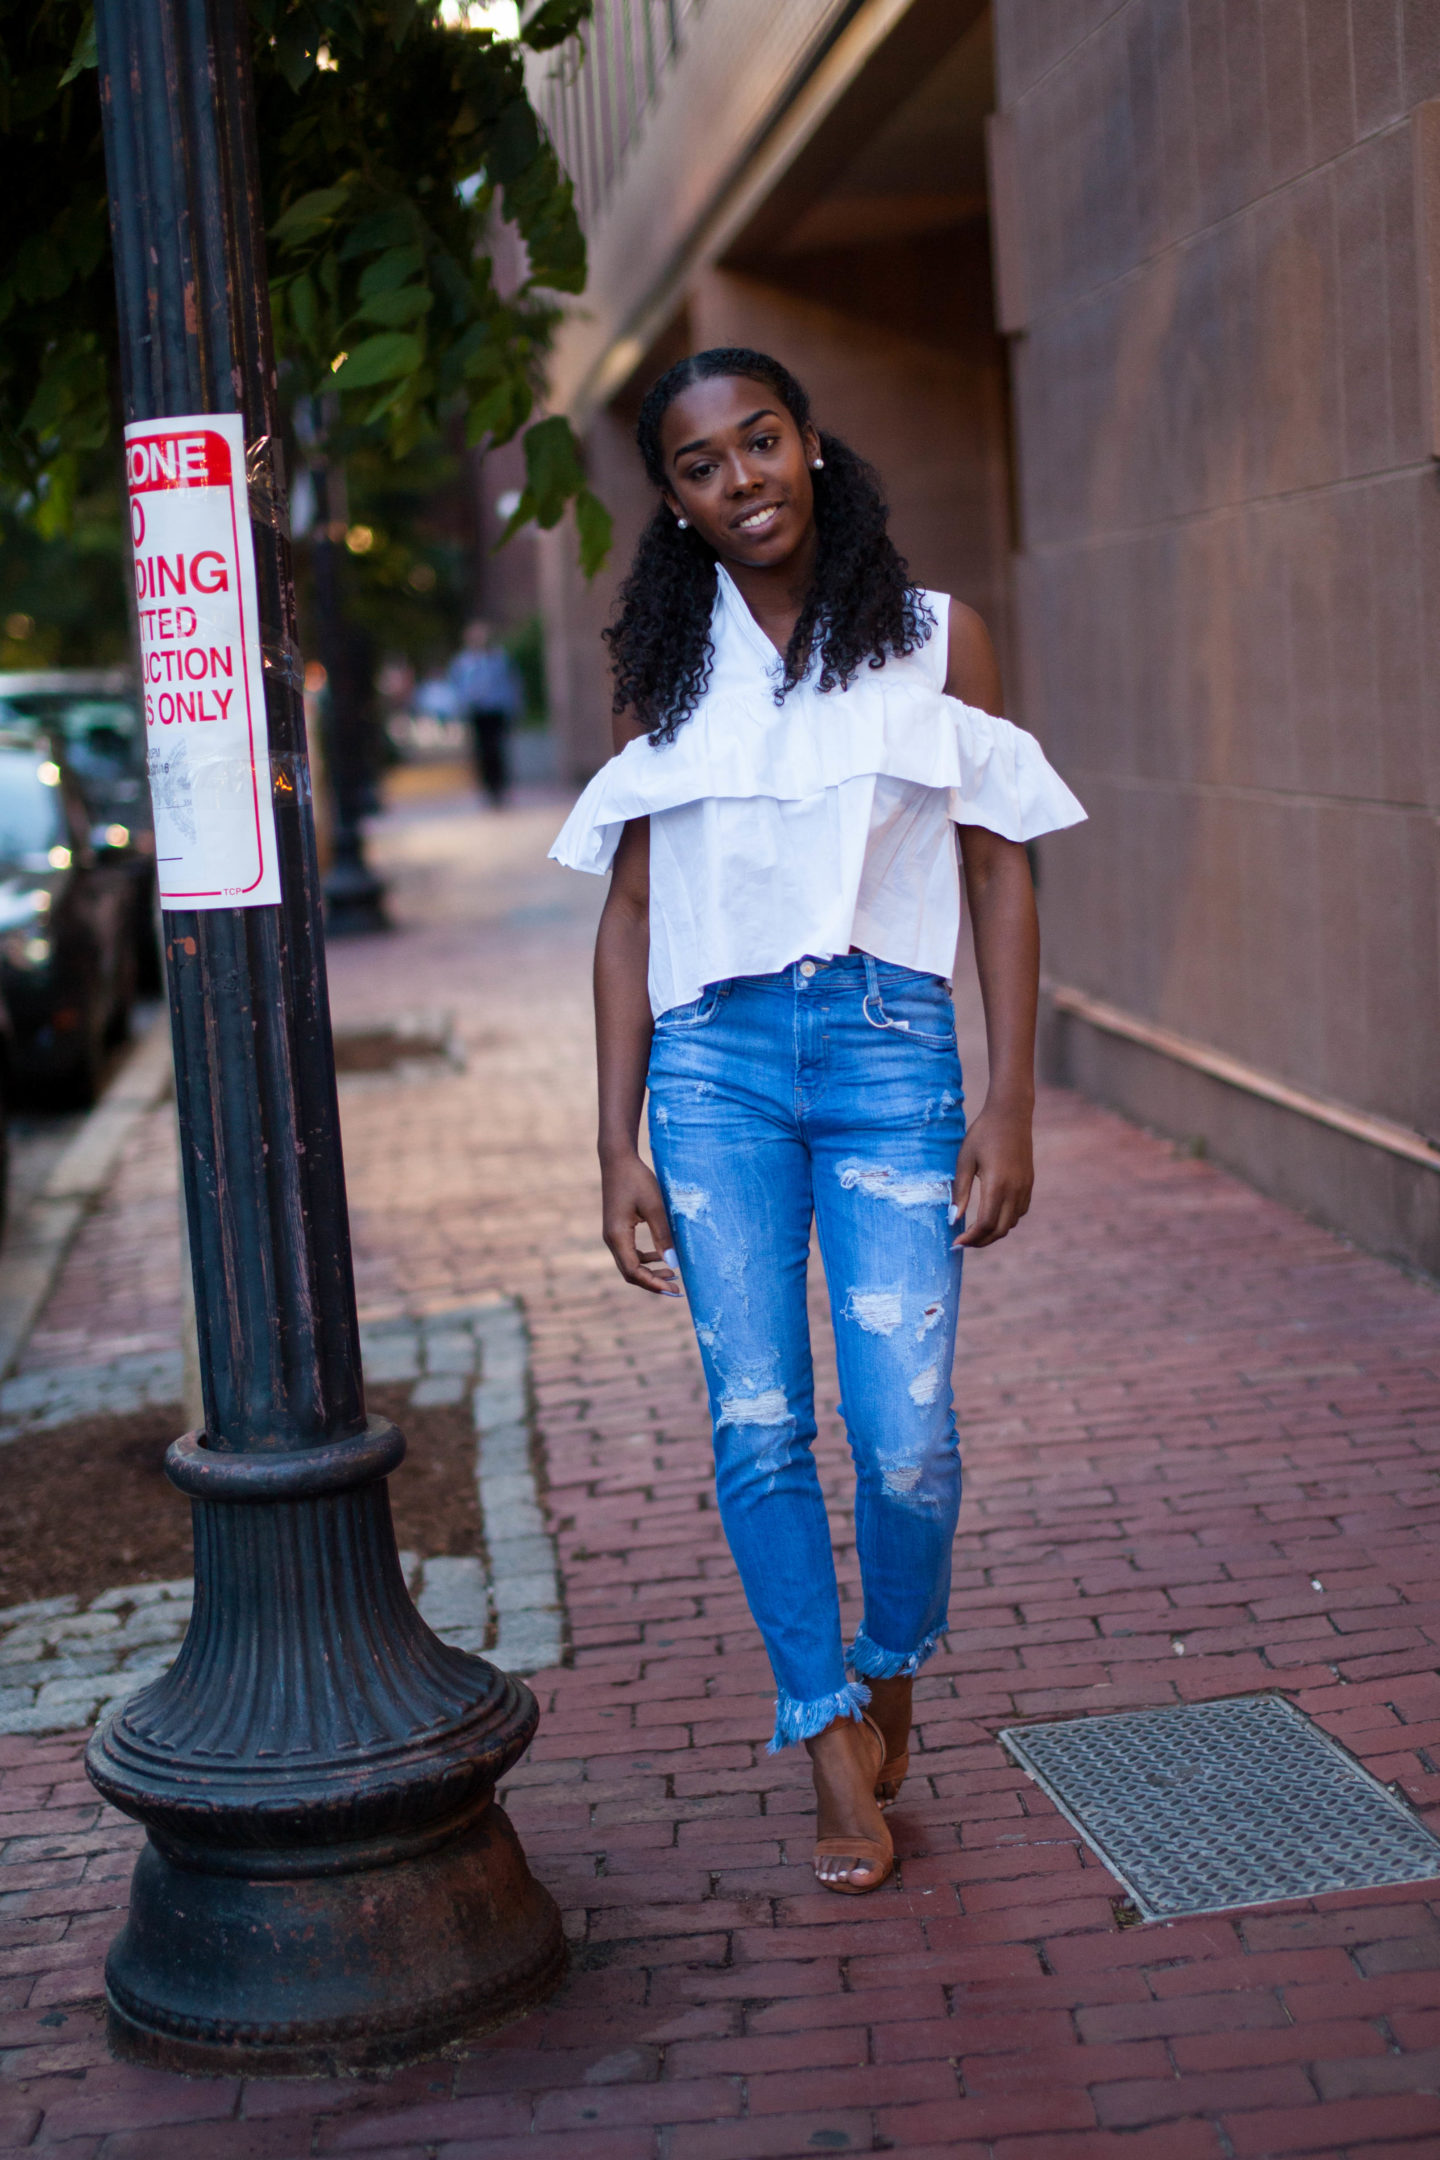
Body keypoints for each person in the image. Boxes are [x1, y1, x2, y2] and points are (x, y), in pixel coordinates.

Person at [550, 348, 1085, 1894]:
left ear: (814, 444)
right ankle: (827, 1735)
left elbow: (998, 865)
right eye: (703, 465)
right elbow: (635, 904)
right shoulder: (667, 668)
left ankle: (894, 1651)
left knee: (907, 1434)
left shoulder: (935, 641)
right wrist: (614, 1136)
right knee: (762, 1422)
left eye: (762, 441)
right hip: (713, 1072)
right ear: (674, 502)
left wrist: (1011, 1098)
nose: (743, 480)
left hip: (889, 1053)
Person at [448, 619, 521, 805]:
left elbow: (510, 683)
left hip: (496, 710)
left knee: (498, 749)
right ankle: (487, 788)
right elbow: (457, 687)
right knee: (481, 751)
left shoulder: (499, 658)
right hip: (476, 712)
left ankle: (500, 787)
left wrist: (513, 707)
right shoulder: (463, 662)